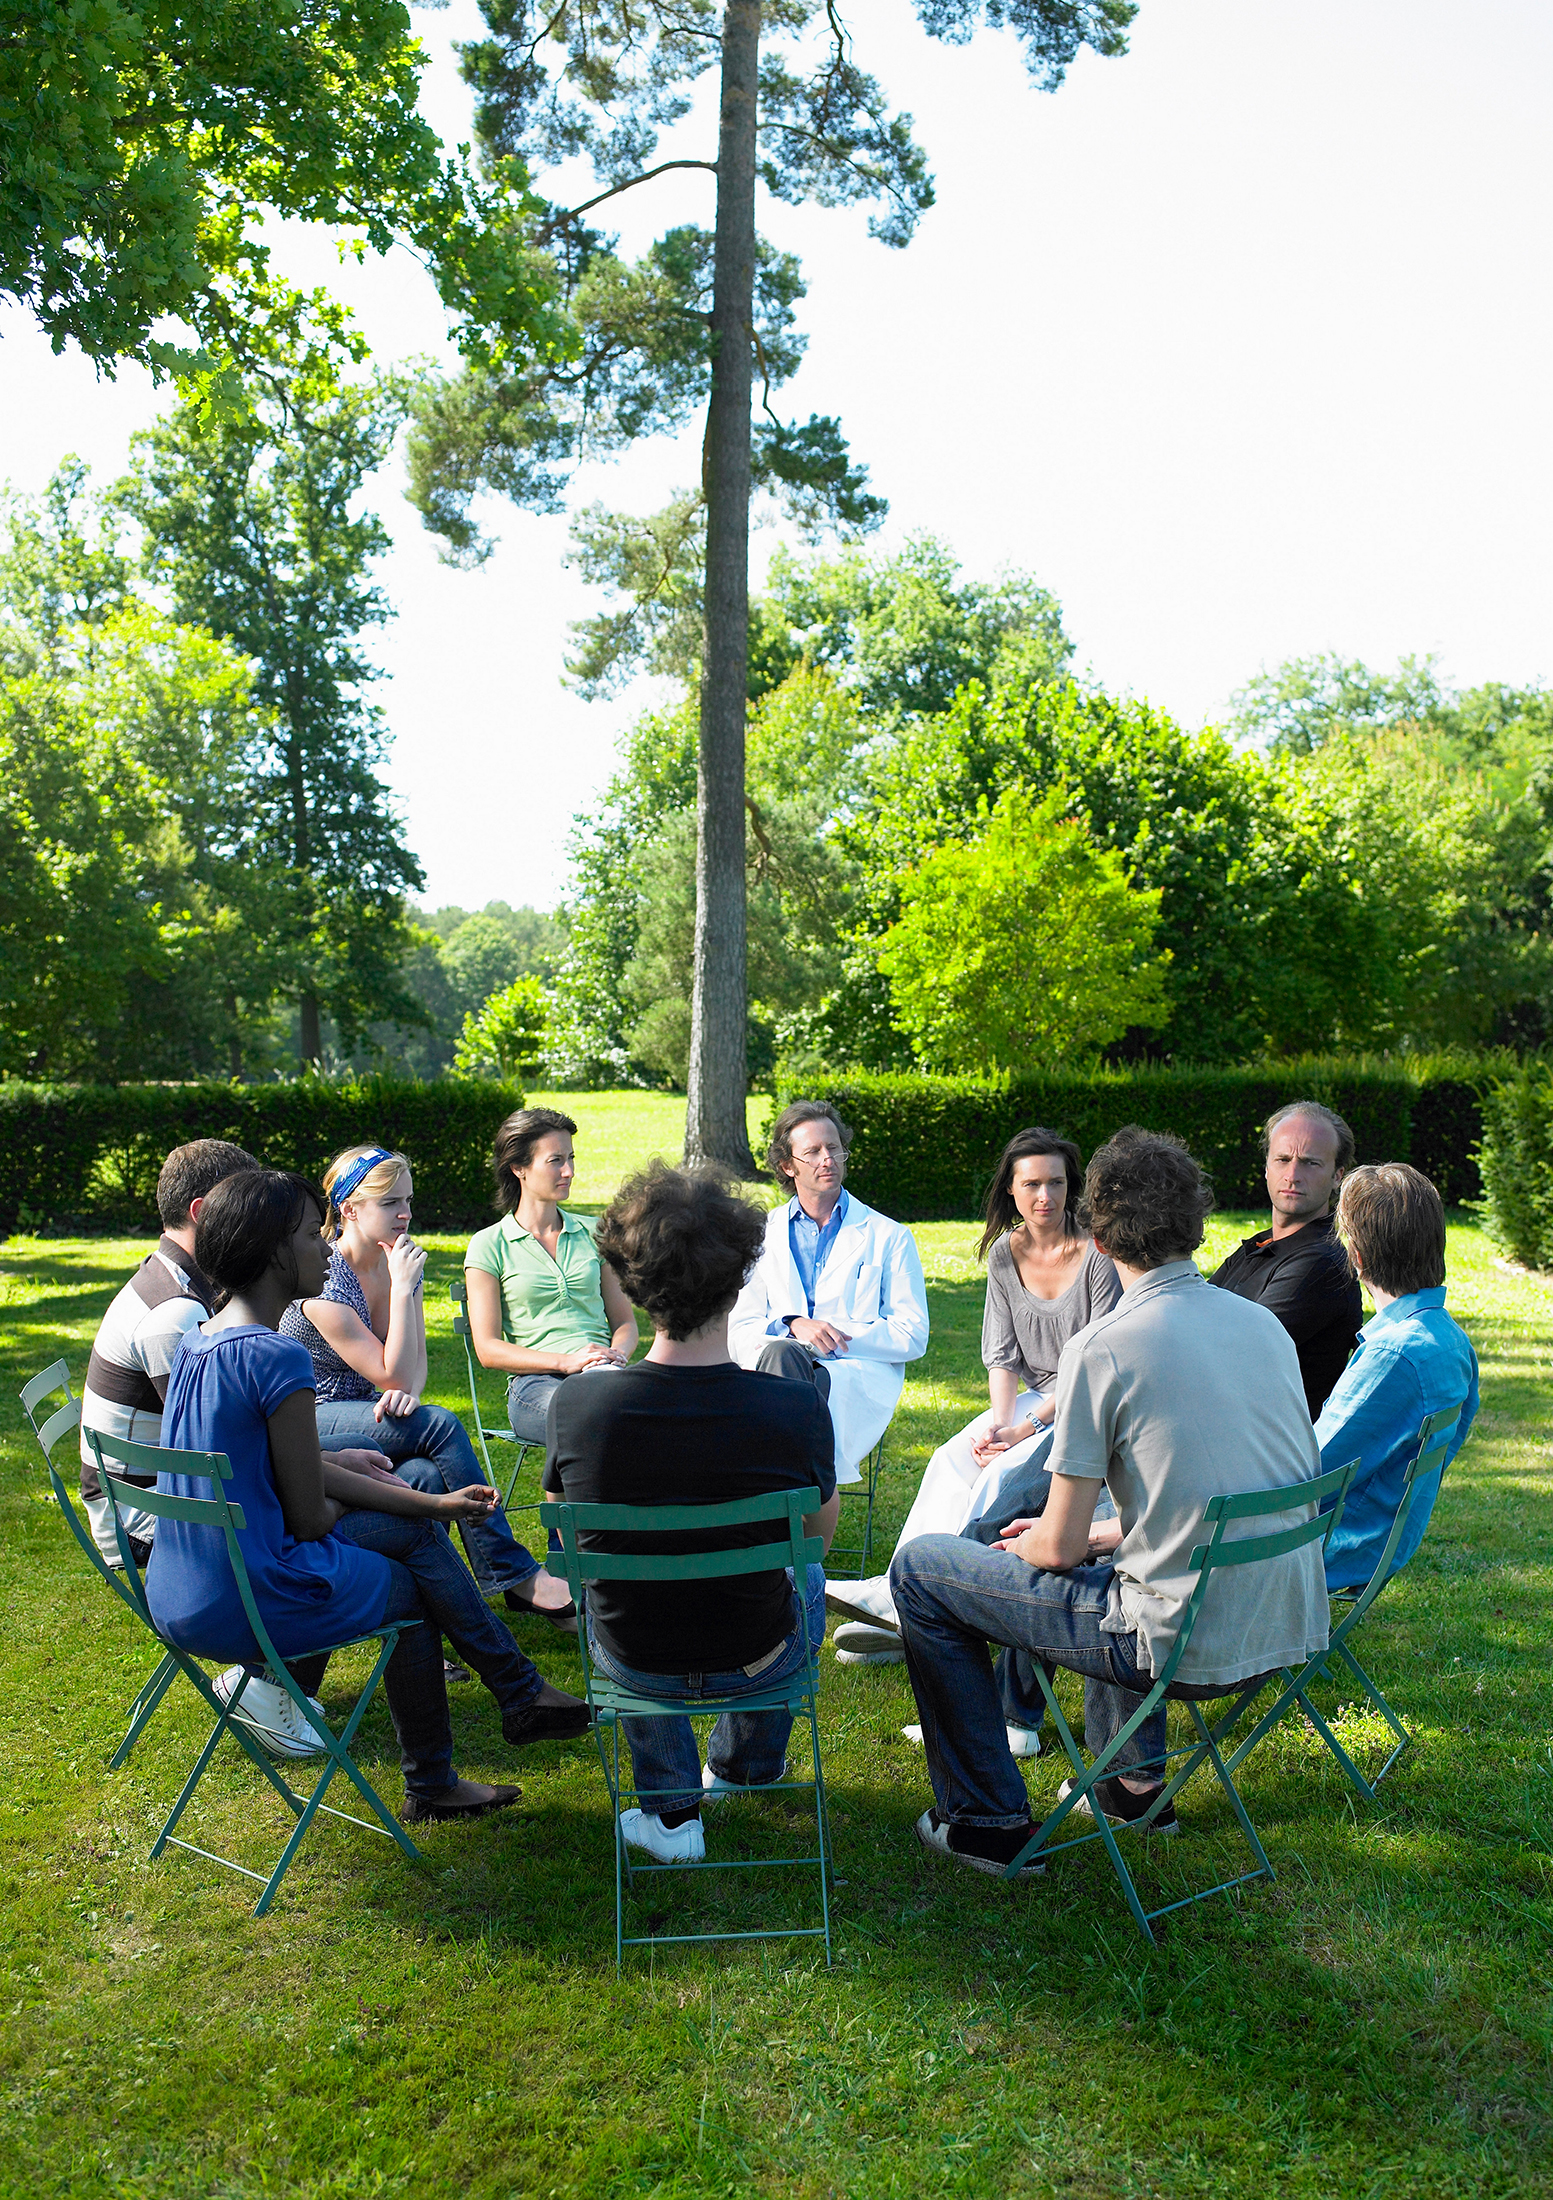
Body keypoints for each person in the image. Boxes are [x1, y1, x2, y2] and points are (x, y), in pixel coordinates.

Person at [891, 1128, 1330, 1879]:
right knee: (1111, 1563)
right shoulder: (1258, 1325)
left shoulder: (1104, 1345)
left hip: (1181, 1645)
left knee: (924, 1568)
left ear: (1096, 1234)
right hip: (1282, 1622)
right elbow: (1221, 1493)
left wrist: (1036, 1545)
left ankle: (986, 1823)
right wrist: (1098, 1537)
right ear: (1195, 1221)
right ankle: (1133, 1790)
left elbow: (1052, 1551)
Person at [148, 1168, 591, 1823]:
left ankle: (512, 1698)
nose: (325, 1248)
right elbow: (308, 1516)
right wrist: (413, 1510)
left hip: (179, 1588)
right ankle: (456, 1756)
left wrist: (411, 1496)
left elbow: (268, 1466)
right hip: (249, 1594)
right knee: (410, 1577)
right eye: (308, 1235)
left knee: (410, 1501)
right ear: (273, 1253)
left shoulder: (198, 1340)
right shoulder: (277, 1359)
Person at [545, 1163, 839, 1864]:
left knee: (606, 1585)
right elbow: (814, 1546)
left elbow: (565, 1543)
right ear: (739, 1280)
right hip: (759, 1657)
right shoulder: (793, 1404)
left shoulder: (578, 1405)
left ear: (630, 1281)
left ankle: (672, 1814)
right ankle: (743, 1771)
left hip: (634, 1663)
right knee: (807, 1581)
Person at [822, 1128, 1121, 1684]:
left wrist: (1026, 1428)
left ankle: (949, 1601)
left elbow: (1094, 1364)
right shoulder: (1006, 1255)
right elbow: (1002, 1357)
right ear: (1010, 1190)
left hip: (1084, 1403)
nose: (1045, 1197)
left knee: (998, 1476)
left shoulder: (1096, 1253)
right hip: (1030, 1400)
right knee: (950, 1459)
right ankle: (896, 1593)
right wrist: (1001, 1424)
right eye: (1031, 1184)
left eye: (1056, 1183)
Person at [280, 1143, 572, 1632]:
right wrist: (402, 1293)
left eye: (408, 1201)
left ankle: (426, 1625)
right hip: (315, 1417)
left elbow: (411, 1372)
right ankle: (511, 1570)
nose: (406, 1214)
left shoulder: (398, 1262)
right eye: (391, 1202)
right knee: (439, 1424)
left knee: (424, 1475)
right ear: (349, 1209)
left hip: (372, 1411)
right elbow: (391, 1373)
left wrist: (408, 1394)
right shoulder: (325, 1283)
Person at [728, 1100, 929, 1491]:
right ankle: (799, 1500)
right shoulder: (759, 1234)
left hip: (852, 1374)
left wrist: (832, 1336)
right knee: (785, 1360)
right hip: (773, 1364)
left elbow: (912, 1334)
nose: (828, 1160)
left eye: (834, 1148)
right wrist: (793, 1325)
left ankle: (769, 1500)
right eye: (814, 1152)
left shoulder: (889, 1236)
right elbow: (739, 1325)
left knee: (790, 1389)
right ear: (788, 1166)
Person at [79, 1139, 259, 1568]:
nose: (257, 1222)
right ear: (201, 1213)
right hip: (141, 1520)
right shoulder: (172, 1312)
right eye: (244, 1205)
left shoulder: (168, 1276)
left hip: (161, 1488)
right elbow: (215, 1443)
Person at [1316, 1163, 1479, 1591]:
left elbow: (1307, 1474)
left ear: (1357, 1258)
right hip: (1381, 1540)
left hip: (1333, 1547)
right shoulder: (1449, 1338)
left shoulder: (1394, 1353)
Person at [463, 1104, 639, 1465]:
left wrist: (615, 1357)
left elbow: (625, 1323)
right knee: (582, 1421)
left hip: (603, 1375)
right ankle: (569, 1522)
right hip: (536, 1385)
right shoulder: (489, 1244)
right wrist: (565, 1362)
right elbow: (488, 1349)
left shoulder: (596, 1232)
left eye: (571, 1158)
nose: (569, 1171)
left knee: (663, 1417)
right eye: (556, 1160)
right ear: (519, 1168)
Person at [1211, 1101, 1363, 1419]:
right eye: (1283, 1159)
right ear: (1266, 1167)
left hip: (1269, 1454)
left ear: (1338, 1176)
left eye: (1310, 1163)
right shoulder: (1263, 1244)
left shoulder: (1322, 1264)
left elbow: (1231, 1353)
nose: (1292, 1175)